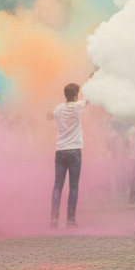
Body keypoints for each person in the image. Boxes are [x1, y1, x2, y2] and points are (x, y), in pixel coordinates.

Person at [50, 83, 86, 228]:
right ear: (76, 95)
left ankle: (54, 218)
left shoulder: (58, 109)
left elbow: (50, 115)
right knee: (74, 186)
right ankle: (70, 219)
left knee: (58, 185)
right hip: (75, 150)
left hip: (60, 150)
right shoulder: (79, 107)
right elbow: (88, 98)